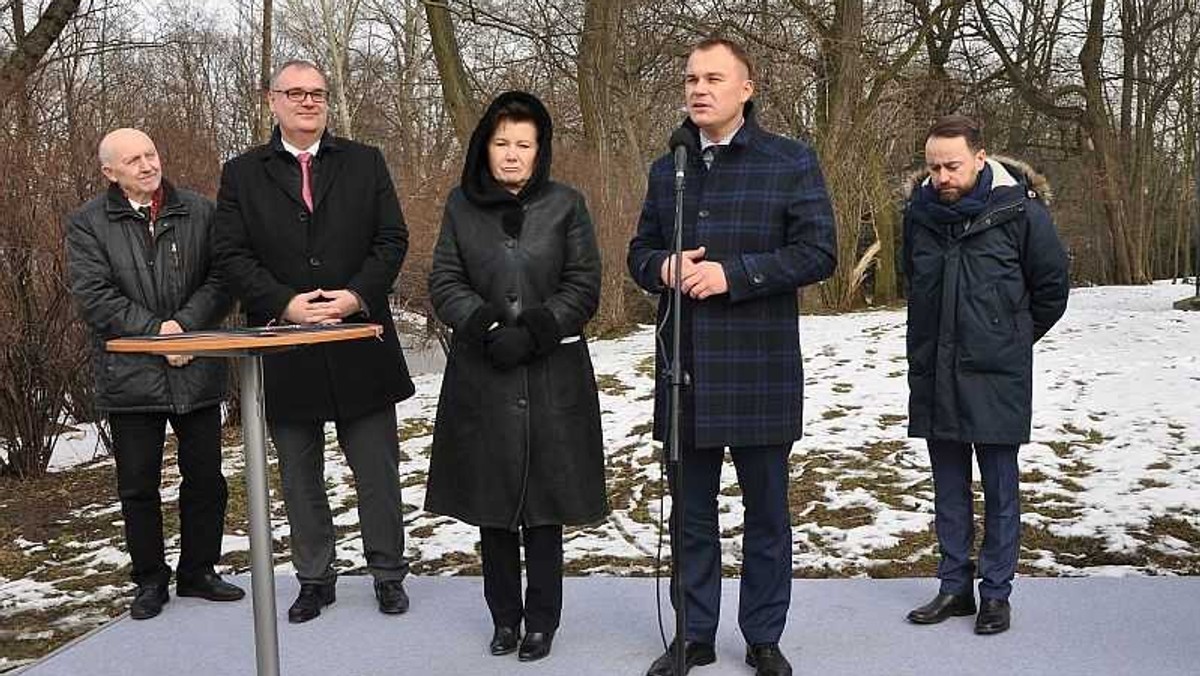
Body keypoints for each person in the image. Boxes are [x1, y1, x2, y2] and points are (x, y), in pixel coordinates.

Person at [627, 38, 837, 676]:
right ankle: (692, 636)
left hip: (760, 370)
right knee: (691, 515)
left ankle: (763, 637)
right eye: (691, 77)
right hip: (684, 370)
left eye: (714, 78)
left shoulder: (789, 161)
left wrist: (734, 275)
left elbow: (818, 252)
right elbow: (639, 253)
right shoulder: (670, 169)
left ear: (747, 88)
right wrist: (662, 266)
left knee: (766, 513)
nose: (698, 88)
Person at [212, 59, 415, 623]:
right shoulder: (242, 173)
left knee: (377, 472)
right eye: (296, 93)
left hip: (359, 340)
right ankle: (315, 579)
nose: (308, 102)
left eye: (318, 94)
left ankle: (388, 574)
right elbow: (230, 254)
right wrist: (284, 303)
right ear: (271, 100)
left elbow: (391, 238)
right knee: (299, 476)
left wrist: (354, 297)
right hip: (284, 345)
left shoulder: (365, 161)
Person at [425, 91, 609, 663]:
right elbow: (445, 280)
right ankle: (504, 618)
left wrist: (534, 329)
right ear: (486, 146)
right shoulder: (460, 205)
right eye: (501, 143)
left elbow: (583, 282)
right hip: (483, 375)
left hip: (550, 372)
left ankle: (542, 621)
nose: (511, 154)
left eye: (523, 144)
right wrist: (482, 325)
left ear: (540, 150)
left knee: (544, 504)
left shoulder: (566, 204)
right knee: (493, 504)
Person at [901, 114, 1069, 635]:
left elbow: (1051, 290)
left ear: (980, 158)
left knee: (1000, 489)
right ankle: (954, 587)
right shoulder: (919, 215)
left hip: (997, 373)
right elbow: (914, 280)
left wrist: (1009, 338)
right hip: (935, 371)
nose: (942, 177)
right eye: (934, 168)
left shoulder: (1021, 213)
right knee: (947, 487)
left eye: (952, 166)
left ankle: (996, 593)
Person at [66, 128, 243, 620]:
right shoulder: (87, 223)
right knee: (138, 485)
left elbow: (223, 277)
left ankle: (199, 571)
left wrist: (184, 327)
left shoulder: (201, 211)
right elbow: (93, 293)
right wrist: (156, 333)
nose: (147, 165)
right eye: (133, 160)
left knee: (206, 478)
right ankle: (148, 580)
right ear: (110, 172)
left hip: (196, 365)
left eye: (150, 154)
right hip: (130, 375)